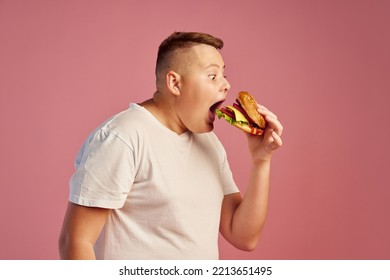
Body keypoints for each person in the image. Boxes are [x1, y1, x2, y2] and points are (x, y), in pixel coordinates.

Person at [58, 31, 283, 260]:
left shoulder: (209, 143)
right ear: (175, 83)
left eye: (224, 74)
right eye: (212, 75)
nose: (226, 84)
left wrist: (261, 160)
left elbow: (243, 236)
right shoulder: (123, 137)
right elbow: (75, 241)